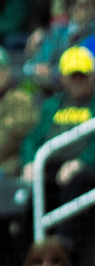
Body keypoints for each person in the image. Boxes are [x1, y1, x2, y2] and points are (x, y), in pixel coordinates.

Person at [19, 47, 95, 253]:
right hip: (52, 170)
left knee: (82, 179)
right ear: (63, 78)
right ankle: (26, 255)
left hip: (94, 173)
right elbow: (32, 138)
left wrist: (82, 160)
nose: (78, 81)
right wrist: (29, 161)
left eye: (83, 75)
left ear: (93, 76)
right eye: (73, 76)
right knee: (31, 190)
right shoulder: (52, 105)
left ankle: (61, 248)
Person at [22, 0, 95, 86]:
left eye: (85, 5)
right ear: (69, 6)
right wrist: (36, 69)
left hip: (83, 86)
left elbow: (93, 71)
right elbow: (28, 67)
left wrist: (53, 72)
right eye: (75, 3)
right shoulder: (57, 32)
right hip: (51, 88)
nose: (79, 8)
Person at [0, 47, 37, 177]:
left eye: (1, 69)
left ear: (7, 71)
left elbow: (6, 141)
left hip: (10, 167)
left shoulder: (20, 98)